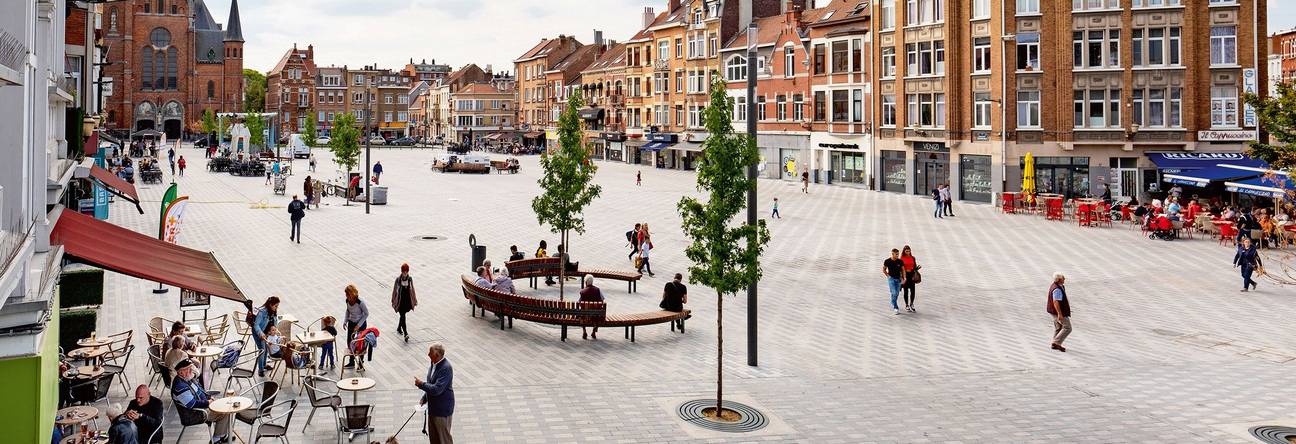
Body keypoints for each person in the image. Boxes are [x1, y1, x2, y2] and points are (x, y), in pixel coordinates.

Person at [171, 360, 230, 441]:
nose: (191, 370)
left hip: (202, 407)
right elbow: (192, 404)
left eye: (190, 367)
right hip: (194, 414)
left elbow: (201, 391)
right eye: (188, 369)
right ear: (181, 372)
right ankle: (217, 438)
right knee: (225, 412)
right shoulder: (180, 386)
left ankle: (221, 435)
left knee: (225, 405)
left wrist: (209, 398)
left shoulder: (188, 378)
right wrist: (208, 402)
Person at [415, 343, 455, 444]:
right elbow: (431, 383)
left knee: (444, 439)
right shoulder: (433, 364)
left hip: (442, 411)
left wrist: (421, 384)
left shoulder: (446, 368)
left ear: (437, 355)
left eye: (430, 353)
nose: (428, 354)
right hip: (433, 409)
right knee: (434, 439)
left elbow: (437, 389)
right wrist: (425, 398)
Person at [252, 297, 280, 377]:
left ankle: (264, 365)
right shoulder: (262, 312)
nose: (276, 308)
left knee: (267, 349)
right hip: (259, 334)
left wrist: (275, 330)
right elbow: (256, 325)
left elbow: (275, 320)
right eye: (275, 306)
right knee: (262, 350)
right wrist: (261, 334)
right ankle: (260, 369)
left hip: (267, 333)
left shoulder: (273, 311)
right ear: (271, 305)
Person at [344, 284, 369, 368]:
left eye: (348, 294)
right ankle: (351, 362)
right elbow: (347, 311)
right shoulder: (347, 301)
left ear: (352, 294)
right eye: (346, 295)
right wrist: (345, 321)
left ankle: (361, 363)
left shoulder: (360, 302)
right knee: (350, 342)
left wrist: (358, 325)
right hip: (351, 322)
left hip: (361, 324)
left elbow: (366, 314)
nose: (347, 296)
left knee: (360, 343)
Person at [1046, 272, 1072, 352]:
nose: (1064, 279)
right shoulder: (1057, 289)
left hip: (1053, 311)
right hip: (1057, 312)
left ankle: (1054, 344)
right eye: (1063, 278)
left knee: (1059, 327)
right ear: (1059, 279)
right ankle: (1056, 343)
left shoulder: (1058, 286)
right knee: (1067, 327)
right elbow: (1056, 302)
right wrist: (1060, 314)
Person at [392, 264, 418, 342]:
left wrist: (415, 300)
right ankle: (406, 333)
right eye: (404, 271)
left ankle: (399, 327)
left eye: (406, 271)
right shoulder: (398, 280)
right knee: (403, 316)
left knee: (403, 315)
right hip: (400, 301)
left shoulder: (410, 279)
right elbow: (394, 290)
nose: (405, 273)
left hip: (407, 301)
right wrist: (393, 300)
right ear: (402, 271)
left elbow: (412, 289)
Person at [579, 275, 604, 340]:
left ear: (586, 282)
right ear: (592, 282)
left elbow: (580, 303)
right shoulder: (598, 290)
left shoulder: (582, 291)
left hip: (585, 316)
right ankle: (593, 332)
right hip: (595, 316)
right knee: (599, 312)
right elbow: (602, 300)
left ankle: (584, 331)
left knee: (582, 312)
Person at [883, 249, 904, 315]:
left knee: (897, 293)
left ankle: (893, 301)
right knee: (894, 292)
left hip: (898, 279)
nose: (898, 255)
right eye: (896, 254)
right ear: (892, 254)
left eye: (898, 254)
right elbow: (884, 269)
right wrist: (887, 275)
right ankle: (895, 307)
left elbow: (903, 270)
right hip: (891, 279)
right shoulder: (887, 261)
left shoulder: (900, 261)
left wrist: (904, 278)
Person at [900, 245, 920, 313]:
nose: (908, 252)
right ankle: (906, 305)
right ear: (904, 251)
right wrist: (902, 277)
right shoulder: (901, 258)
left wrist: (916, 269)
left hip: (911, 275)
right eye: (906, 251)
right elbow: (900, 268)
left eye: (909, 251)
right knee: (906, 291)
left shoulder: (913, 258)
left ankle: (911, 304)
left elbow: (914, 266)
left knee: (913, 291)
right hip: (905, 275)